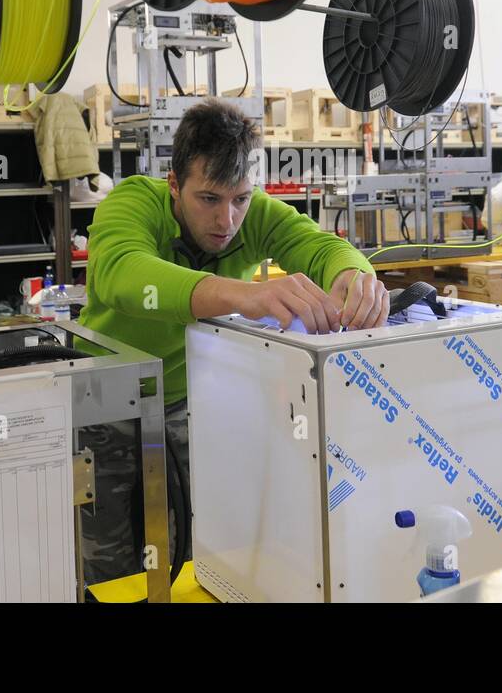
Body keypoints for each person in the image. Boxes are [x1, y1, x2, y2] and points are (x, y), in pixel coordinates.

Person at [76, 98, 389, 586]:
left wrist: (356, 274)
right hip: (103, 406)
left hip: (187, 404)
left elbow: (324, 246)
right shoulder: (133, 201)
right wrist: (247, 295)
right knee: (107, 566)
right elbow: (120, 274)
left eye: (240, 199)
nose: (227, 220)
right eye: (209, 199)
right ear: (174, 185)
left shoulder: (253, 212)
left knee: (198, 554)